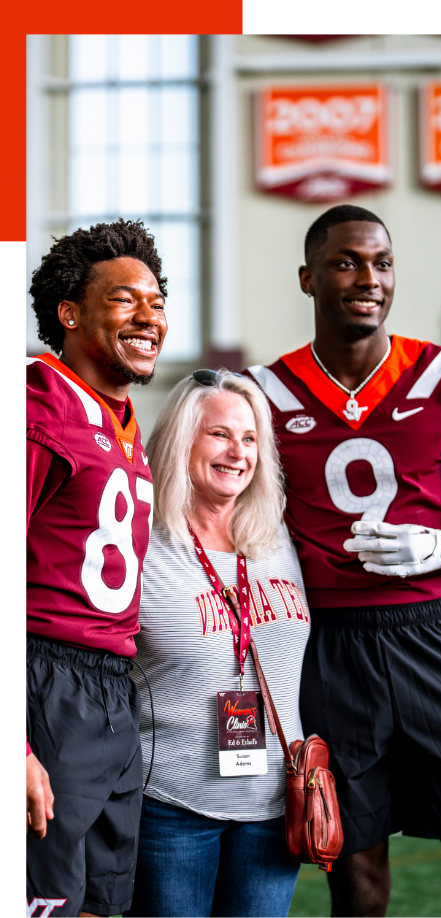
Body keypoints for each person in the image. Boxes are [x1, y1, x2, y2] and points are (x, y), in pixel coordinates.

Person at [246, 204, 441, 917]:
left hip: (434, 635)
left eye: (381, 263)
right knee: (357, 874)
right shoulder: (261, 394)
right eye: (346, 262)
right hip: (328, 646)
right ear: (309, 278)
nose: (368, 278)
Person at [129, 369, 310, 918]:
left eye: (250, 437)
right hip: (172, 804)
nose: (238, 452)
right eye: (220, 434)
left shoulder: (274, 534)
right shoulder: (142, 538)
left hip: (276, 804)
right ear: (183, 440)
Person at [26, 219, 168, 918]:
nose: (149, 317)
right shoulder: (33, 405)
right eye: (125, 300)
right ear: (70, 312)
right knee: (41, 902)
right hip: (44, 680)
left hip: (112, 689)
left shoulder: (122, 419)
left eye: (157, 302)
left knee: (101, 903)